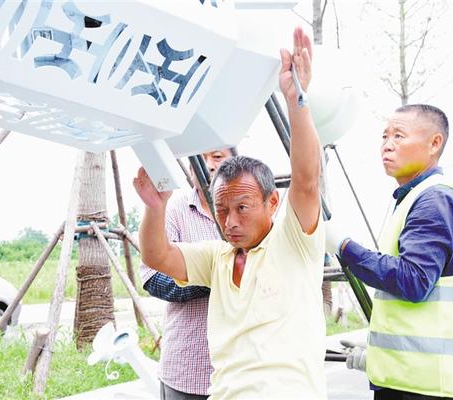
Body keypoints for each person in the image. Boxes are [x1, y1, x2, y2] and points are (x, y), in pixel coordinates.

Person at [133, 27, 327, 399]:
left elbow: (305, 180)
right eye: (222, 210)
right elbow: (156, 257)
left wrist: (296, 99)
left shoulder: (294, 241)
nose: (230, 222)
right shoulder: (217, 256)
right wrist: (155, 208)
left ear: (272, 203)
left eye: (242, 208)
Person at [335, 104, 453, 399]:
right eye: (384, 136)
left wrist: (345, 248)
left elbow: (413, 280)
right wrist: (379, 355)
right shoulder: (415, 199)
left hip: (432, 388)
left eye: (399, 135)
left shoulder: (435, 200)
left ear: (434, 143)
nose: (387, 145)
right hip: (419, 382)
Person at [139, 147, 235, 400]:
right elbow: (153, 279)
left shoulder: (249, 213)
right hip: (189, 368)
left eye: (217, 157)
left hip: (241, 370)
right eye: (199, 158)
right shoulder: (172, 209)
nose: (209, 165)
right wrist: (214, 278)